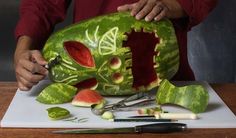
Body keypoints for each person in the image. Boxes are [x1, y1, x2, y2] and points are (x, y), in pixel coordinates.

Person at [14, 0, 218, 91]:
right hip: (86, 84)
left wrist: (169, 5)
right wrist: (22, 51)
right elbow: (42, 4)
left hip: (165, 82)